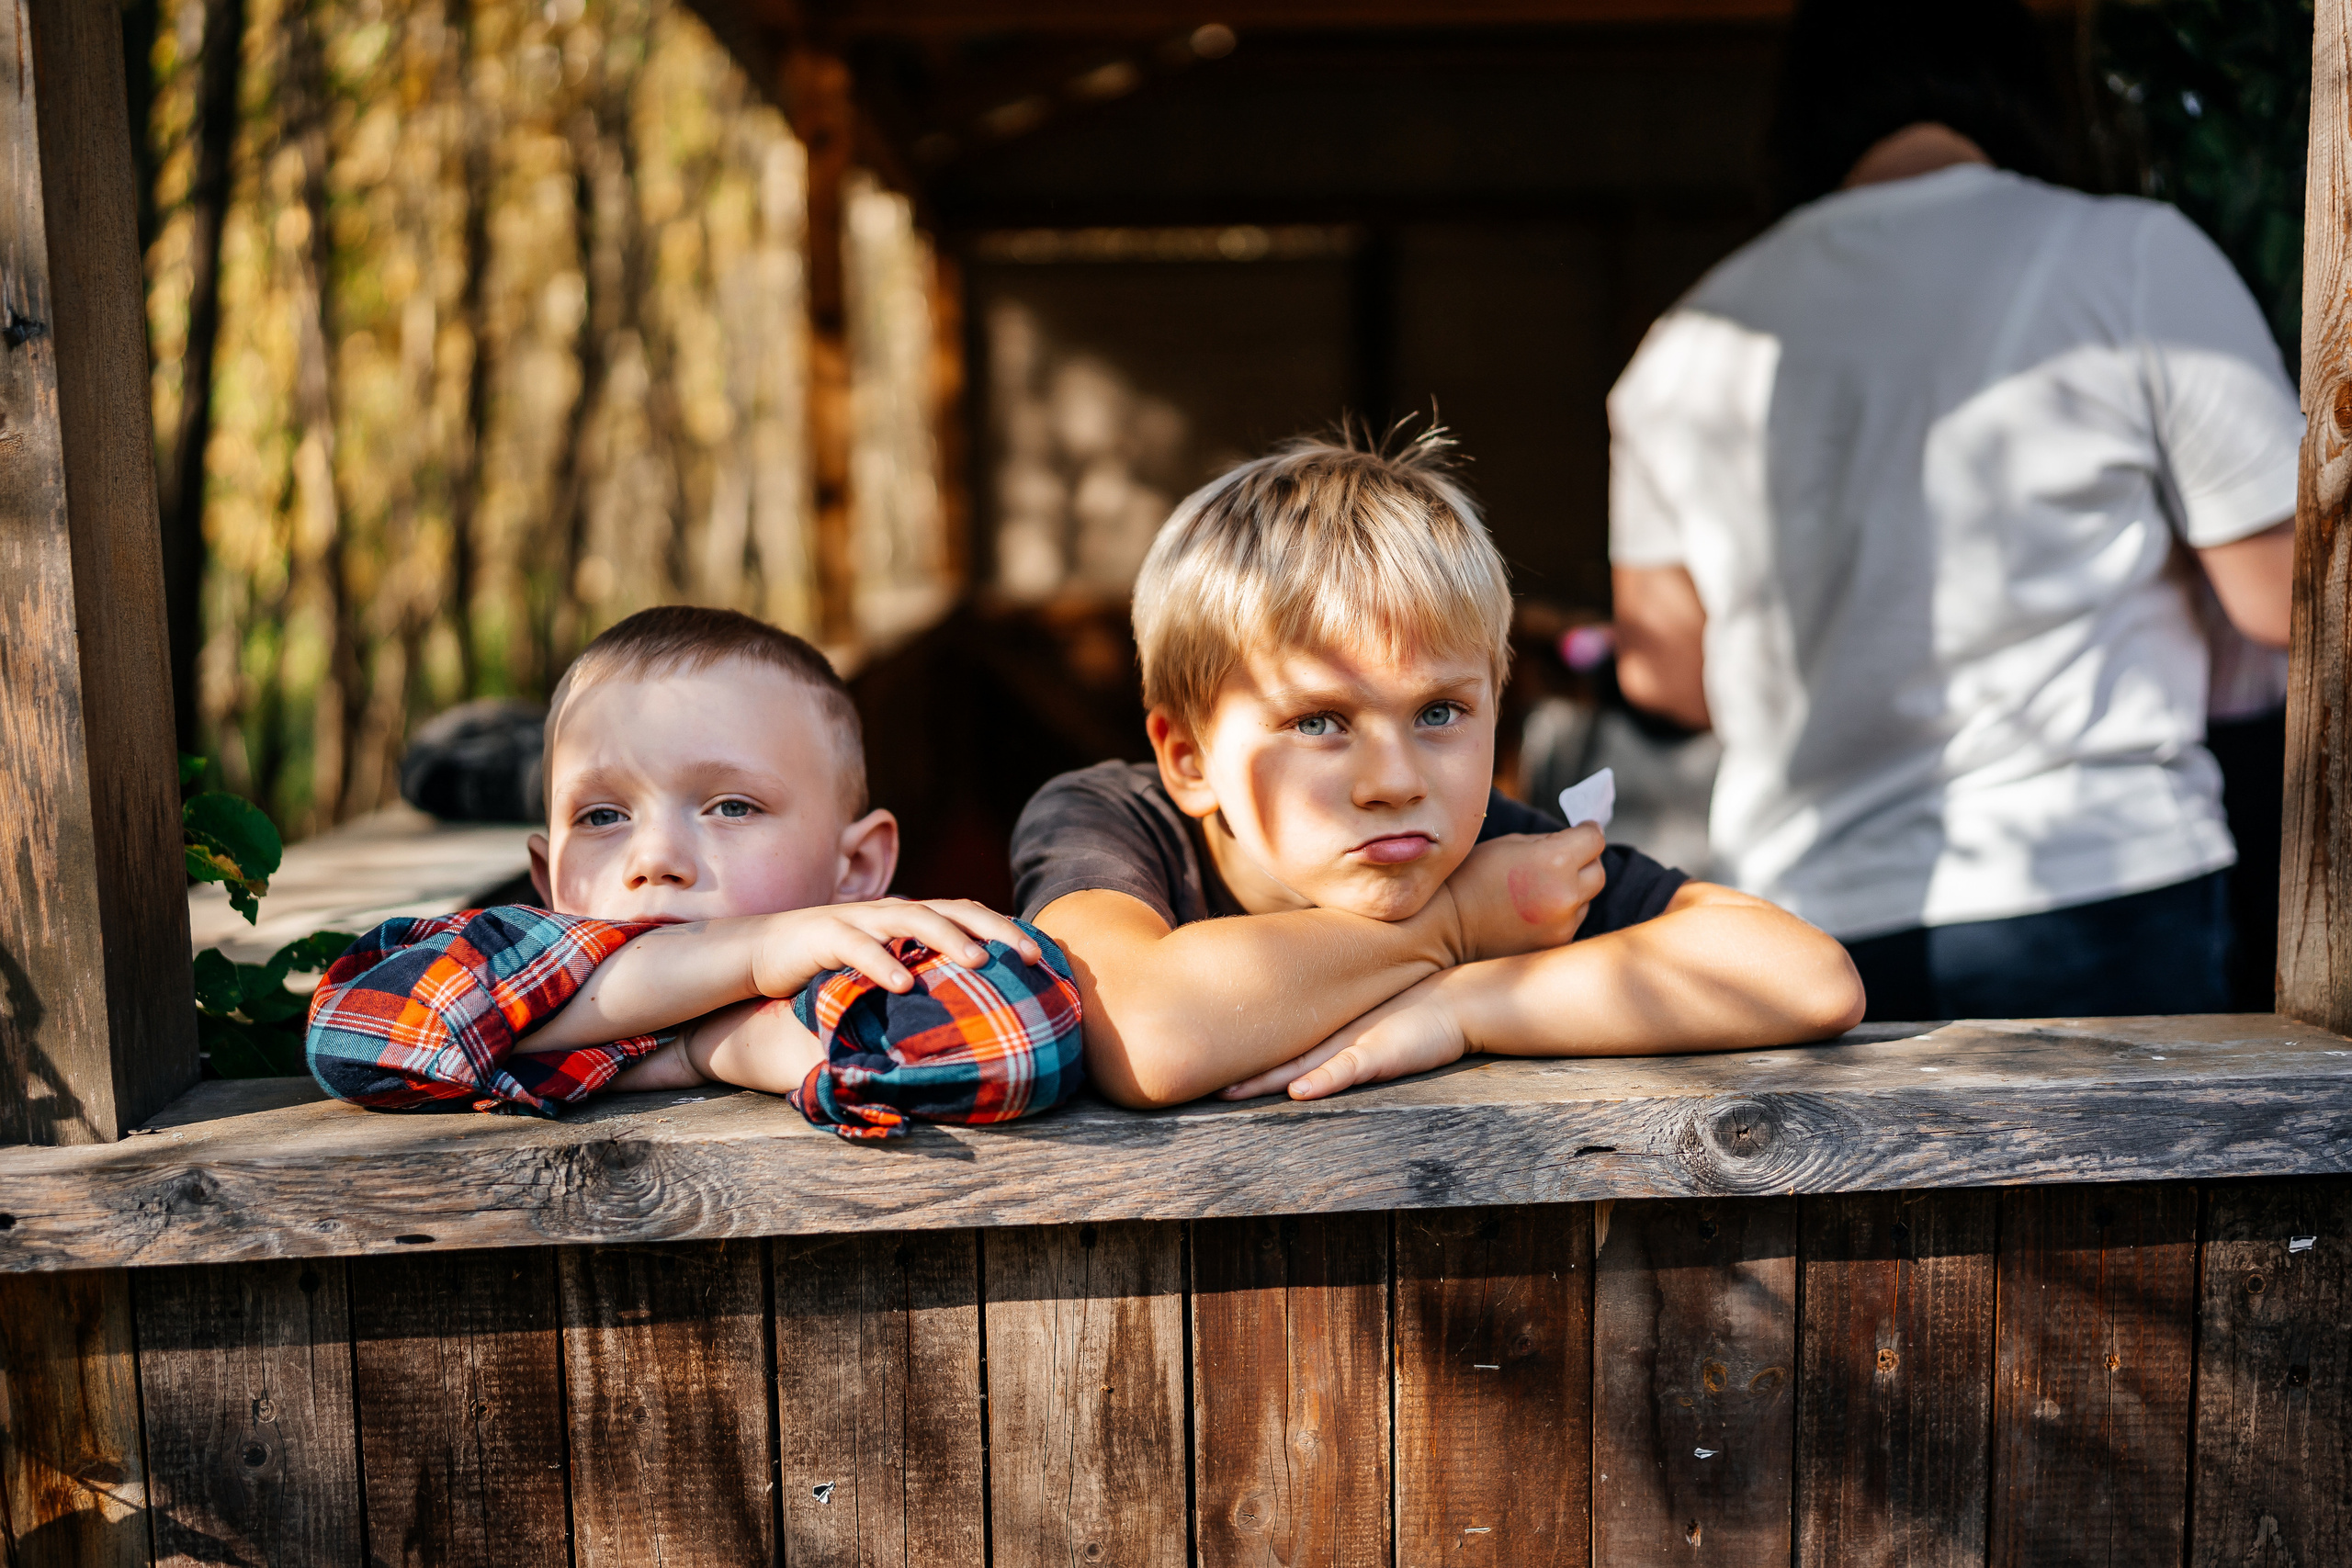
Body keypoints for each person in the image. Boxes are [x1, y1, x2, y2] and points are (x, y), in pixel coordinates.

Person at [1608, 0, 2300, 1021]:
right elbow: (2289, 599)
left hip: (1803, 916)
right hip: (2097, 876)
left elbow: (1659, 669)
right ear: (2025, 83)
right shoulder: (2132, 257)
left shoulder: (1692, 334)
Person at [1012, 431, 1865, 1110]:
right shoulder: (1109, 821)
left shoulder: (1477, 840)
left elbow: (1808, 977)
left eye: (1439, 713)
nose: (1397, 779)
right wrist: (1453, 924)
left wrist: (1463, 1007)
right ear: (1188, 758)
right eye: (1318, 721)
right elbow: (1143, 1033)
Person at [307, 606, 1084, 1139]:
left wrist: (709, 1041)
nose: (655, 860)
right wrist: (726, 986)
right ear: (548, 877)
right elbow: (351, 1027)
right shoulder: (515, 955)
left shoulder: (864, 954)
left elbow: (1022, 1040)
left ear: (857, 868)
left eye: (732, 807)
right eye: (602, 816)